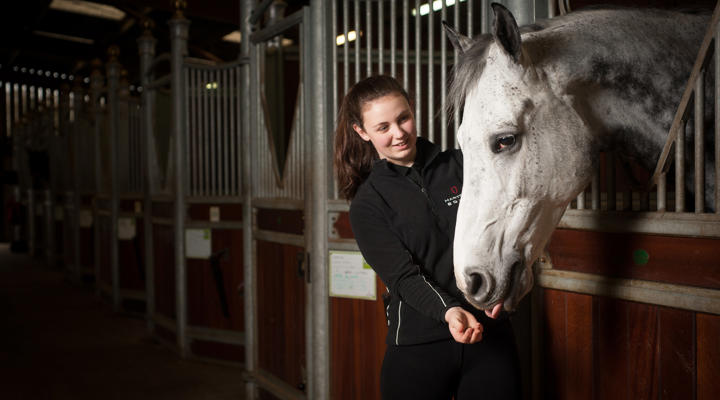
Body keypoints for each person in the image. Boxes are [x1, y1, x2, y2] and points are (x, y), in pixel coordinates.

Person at [334, 75, 521, 400]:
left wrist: (508, 287)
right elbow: (403, 277)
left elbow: (506, 234)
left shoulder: (464, 165)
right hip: (419, 343)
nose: (398, 133)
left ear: (412, 111)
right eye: (383, 127)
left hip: (490, 335)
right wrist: (449, 312)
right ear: (362, 132)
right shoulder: (368, 204)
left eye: (403, 118)